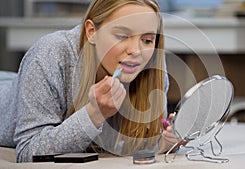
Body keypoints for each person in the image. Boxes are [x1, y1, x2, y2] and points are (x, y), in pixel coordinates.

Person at [0, 0, 180, 162]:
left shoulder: (151, 65)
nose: (136, 50)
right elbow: (28, 151)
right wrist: (93, 114)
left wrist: (164, 143)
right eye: (123, 36)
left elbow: (137, 145)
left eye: (147, 40)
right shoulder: (50, 54)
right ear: (92, 31)